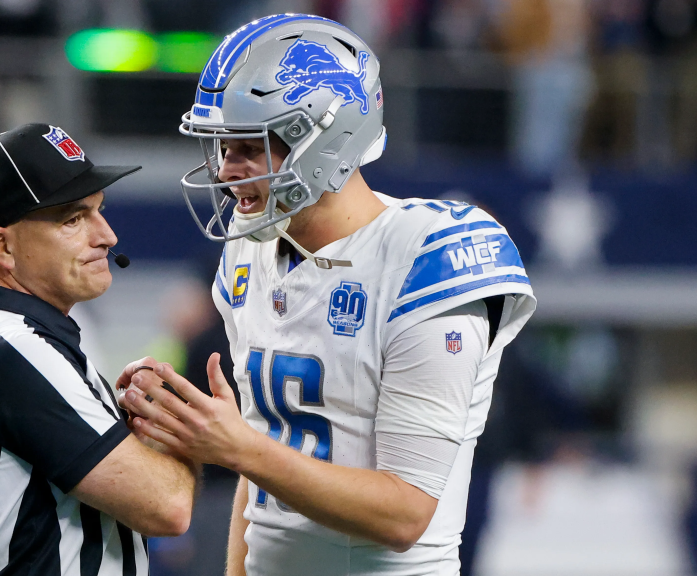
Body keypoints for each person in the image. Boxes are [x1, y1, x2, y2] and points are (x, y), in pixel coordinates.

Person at [117, 14, 537, 576]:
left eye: (249, 147)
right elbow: (262, 460)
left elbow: (404, 515)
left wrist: (236, 445)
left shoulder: (426, 255)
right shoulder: (249, 252)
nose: (225, 172)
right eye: (221, 148)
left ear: (325, 137)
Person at [0, 124, 198, 576]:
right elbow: (169, 507)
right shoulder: (15, 349)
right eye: (73, 219)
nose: (107, 236)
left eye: (99, 211)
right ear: (3, 247)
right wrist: (179, 429)